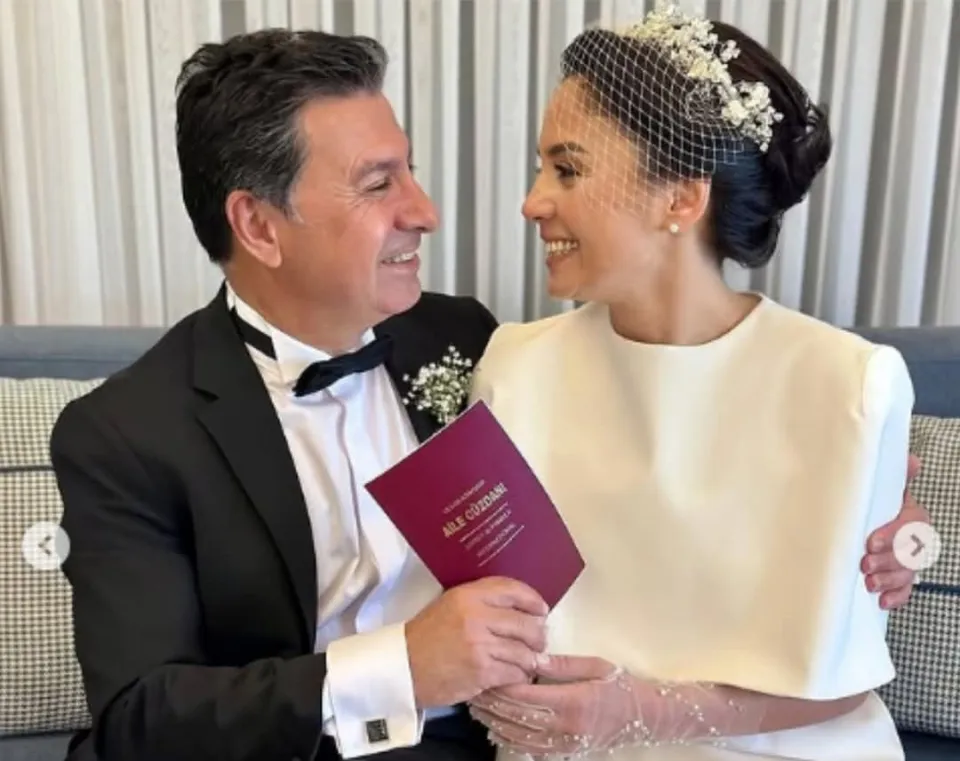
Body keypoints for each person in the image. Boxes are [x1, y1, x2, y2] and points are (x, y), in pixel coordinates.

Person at [49, 25, 923, 761]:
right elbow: (137, 718)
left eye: (410, 170)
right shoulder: (127, 431)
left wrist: (881, 521)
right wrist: (402, 665)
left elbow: (702, 460)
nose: (426, 211)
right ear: (258, 225)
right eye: (378, 183)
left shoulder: (468, 340)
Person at [466, 6, 920, 761]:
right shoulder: (513, 367)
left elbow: (847, 675)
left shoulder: (846, 384)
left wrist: (639, 710)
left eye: (568, 169)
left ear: (681, 197)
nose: (533, 201)